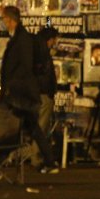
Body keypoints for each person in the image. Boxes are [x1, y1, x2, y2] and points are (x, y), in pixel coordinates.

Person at [0, 6, 58, 174]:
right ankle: (49, 161)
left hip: (20, 94)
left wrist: (13, 88)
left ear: (10, 20)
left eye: (4, 20)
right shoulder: (21, 38)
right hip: (21, 92)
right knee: (34, 129)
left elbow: (24, 66)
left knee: (5, 127)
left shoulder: (22, 39)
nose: (3, 23)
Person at [23, 27, 58, 167]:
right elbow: (45, 75)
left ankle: (35, 155)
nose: (55, 42)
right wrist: (48, 90)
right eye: (55, 39)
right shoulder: (43, 53)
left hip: (36, 94)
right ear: (50, 39)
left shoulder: (33, 50)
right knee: (41, 126)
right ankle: (36, 156)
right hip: (44, 93)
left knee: (37, 125)